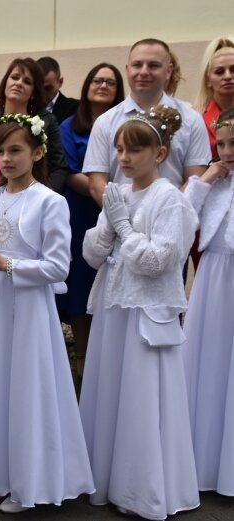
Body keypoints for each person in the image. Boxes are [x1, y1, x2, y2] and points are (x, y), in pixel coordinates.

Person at [0, 114, 94, 514]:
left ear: (36, 152)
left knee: (28, 387)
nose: (5, 158)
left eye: (15, 150)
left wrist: (6, 265)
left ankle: (31, 479)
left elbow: (57, 267)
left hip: (32, 309)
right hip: (0, 305)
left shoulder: (50, 202)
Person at [80, 106, 200, 519]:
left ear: (160, 153)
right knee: (111, 393)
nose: (125, 158)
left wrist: (125, 228)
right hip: (115, 310)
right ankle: (108, 479)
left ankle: (141, 491)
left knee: (142, 401)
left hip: (147, 315)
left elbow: (158, 261)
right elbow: (93, 256)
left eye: (135, 150)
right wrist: (111, 226)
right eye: (119, 150)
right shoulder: (119, 193)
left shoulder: (171, 200)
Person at [57, 63, 125, 377]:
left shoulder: (127, 122)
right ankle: (83, 356)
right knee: (81, 283)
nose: (102, 85)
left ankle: (112, 353)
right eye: (96, 79)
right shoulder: (71, 126)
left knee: (117, 279)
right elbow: (70, 174)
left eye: (110, 82)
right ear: (86, 86)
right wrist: (108, 196)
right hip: (84, 210)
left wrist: (120, 202)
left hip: (126, 212)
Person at [84, 38, 210, 205]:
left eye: (153, 65)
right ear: (128, 69)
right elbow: (97, 184)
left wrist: (166, 214)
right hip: (122, 224)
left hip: (174, 222)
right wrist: (125, 222)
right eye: (137, 65)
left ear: (168, 71)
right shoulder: (105, 122)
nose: (144, 72)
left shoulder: (191, 119)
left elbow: (196, 178)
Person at [182, 107, 234, 497]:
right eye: (223, 144)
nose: (228, 151)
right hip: (213, 276)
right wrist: (204, 180)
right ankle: (203, 462)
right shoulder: (211, 182)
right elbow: (183, 218)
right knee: (210, 361)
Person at [0, 57, 69, 193]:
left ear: (33, 92)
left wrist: (42, 196)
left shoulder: (47, 122)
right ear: (5, 83)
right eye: (14, 77)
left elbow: (59, 168)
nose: (19, 83)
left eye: (27, 82)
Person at [193, 37, 234, 159]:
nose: (227, 76)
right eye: (219, 72)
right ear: (208, 80)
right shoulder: (197, 118)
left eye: (233, 70)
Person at [37, 56, 80, 124]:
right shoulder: (25, 107)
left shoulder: (76, 108)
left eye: (48, 88)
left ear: (60, 82)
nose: (43, 94)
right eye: (38, 88)